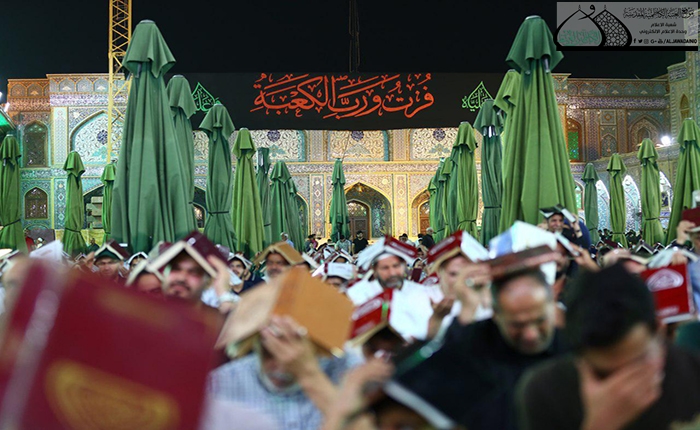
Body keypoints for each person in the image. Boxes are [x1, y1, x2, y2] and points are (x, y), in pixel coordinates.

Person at [517, 264, 700, 430]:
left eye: (638, 364)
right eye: (604, 374)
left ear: (658, 329)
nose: (624, 388)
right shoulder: (546, 392)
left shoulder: (694, 376)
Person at [424, 266, 569, 430]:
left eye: (540, 320)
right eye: (517, 325)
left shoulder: (574, 349)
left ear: (553, 306)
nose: (531, 335)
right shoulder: (473, 343)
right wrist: (468, 305)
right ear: (495, 314)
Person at [208, 315, 361, 430]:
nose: (282, 367)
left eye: (297, 356)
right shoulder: (221, 383)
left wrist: (309, 374)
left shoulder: (344, 370)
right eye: (270, 353)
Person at [347, 237, 441, 341]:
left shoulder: (421, 292)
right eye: (385, 268)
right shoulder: (358, 293)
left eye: (396, 266)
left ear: (404, 266)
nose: (392, 273)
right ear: (375, 270)